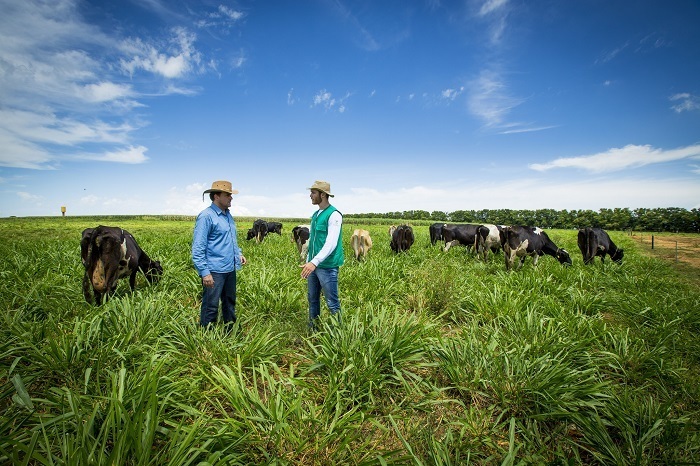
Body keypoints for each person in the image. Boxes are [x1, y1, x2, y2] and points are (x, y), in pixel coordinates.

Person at [192, 180, 247, 330]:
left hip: (230, 268)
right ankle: (206, 337)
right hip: (214, 271)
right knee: (211, 305)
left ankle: (230, 333)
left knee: (230, 302)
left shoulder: (228, 215)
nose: (231, 197)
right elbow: (198, 248)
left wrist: (239, 254)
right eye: (227, 194)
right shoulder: (206, 216)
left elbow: (230, 240)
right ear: (216, 196)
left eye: (231, 194)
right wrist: (205, 273)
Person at [300, 180, 344, 330]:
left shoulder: (334, 215)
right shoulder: (316, 214)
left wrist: (314, 262)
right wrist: (308, 261)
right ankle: (314, 329)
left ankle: (340, 335)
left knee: (332, 302)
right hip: (313, 265)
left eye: (313, 192)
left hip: (327, 266)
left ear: (323, 195)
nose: (310, 195)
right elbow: (313, 241)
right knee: (312, 299)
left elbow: (331, 243)